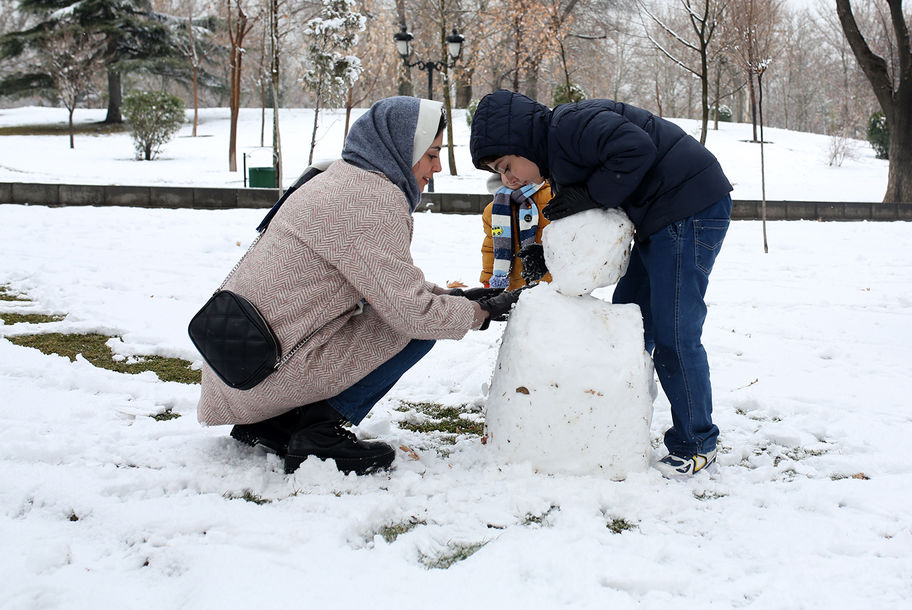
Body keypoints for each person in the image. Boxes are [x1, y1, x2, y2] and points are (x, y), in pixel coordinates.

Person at [193, 96, 517, 475]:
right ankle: (318, 433)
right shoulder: (371, 200)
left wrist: (453, 298)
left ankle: (277, 423)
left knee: (420, 315)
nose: (438, 167)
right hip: (267, 373)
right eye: (431, 154)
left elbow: (377, 278)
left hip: (242, 369)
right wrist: (479, 313)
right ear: (402, 146)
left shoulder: (337, 178)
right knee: (416, 330)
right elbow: (413, 314)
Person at [469, 89, 733, 477]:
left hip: (688, 207)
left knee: (674, 329)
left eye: (507, 165)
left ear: (521, 140)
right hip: (657, 219)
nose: (508, 180)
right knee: (629, 326)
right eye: (499, 174)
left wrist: (591, 193)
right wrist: (549, 251)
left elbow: (634, 148)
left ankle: (697, 441)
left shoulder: (570, 126)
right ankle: (616, 420)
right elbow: (577, 215)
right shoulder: (555, 160)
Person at [480, 173, 553, 291]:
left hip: (551, 286)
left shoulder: (551, 197)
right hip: (513, 288)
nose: (510, 178)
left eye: (514, 170)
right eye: (504, 172)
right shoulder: (494, 209)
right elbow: (490, 248)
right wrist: (488, 280)